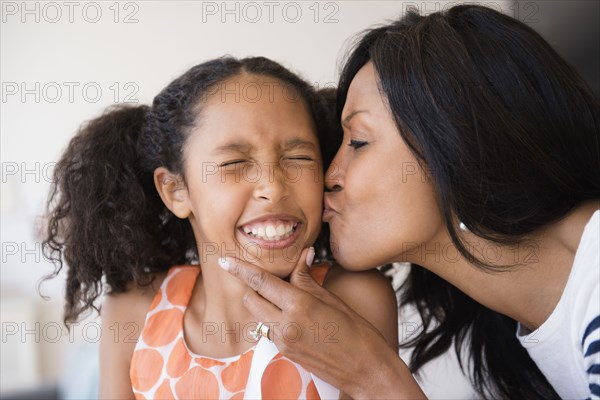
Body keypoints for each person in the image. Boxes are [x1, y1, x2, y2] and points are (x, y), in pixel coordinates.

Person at [218, 5, 600, 399]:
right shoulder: (521, 325)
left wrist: (373, 376)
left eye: (359, 142)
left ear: (461, 146)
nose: (328, 178)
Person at [42, 56, 399, 399]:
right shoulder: (133, 313)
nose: (273, 187)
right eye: (234, 163)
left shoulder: (355, 301)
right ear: (176, 191)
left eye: (298, 158)